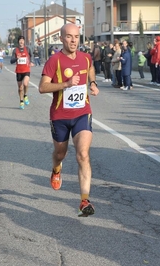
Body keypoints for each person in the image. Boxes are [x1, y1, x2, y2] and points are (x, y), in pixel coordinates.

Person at [38, 23, 99, 217]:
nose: (73, 41)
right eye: (69, 37)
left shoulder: (86, 57)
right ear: (61, 38)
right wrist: (65, 84)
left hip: (82, 112)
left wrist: (93, 83)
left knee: (83, 154)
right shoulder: (54, 60)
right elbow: (42, 87)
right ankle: (56, 170)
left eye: (76, 37)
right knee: (60, 153)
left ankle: (84, 200)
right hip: (60, 116)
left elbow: (90, 69)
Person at [10, 35, 34, 109]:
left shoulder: (27, 49)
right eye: (20, 40)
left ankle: (25, 95)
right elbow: (11, 61)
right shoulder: (15, 50)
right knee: (20, 88)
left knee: (25, 83)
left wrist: (31, 62)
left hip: (26, 70)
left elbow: (31, 55)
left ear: (24, 41)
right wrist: (16, 58)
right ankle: (21, 101)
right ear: (18, 41)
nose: (21, 41)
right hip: (19, 71)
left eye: (22, 40)